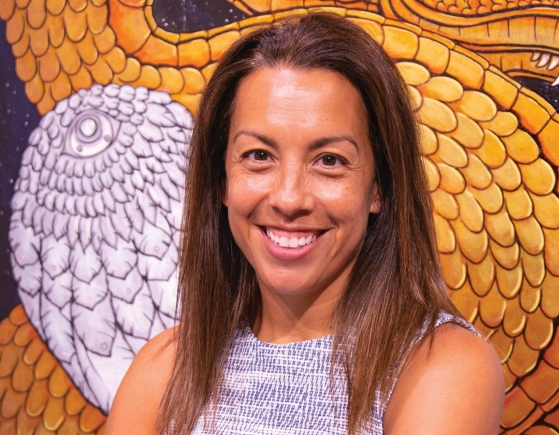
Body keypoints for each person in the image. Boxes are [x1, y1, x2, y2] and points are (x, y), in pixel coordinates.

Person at [105, 12, 504, 435]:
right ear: (221, 180)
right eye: (259, 156)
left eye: (329, 161)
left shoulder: (441, 366)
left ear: (379, 188)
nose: (289, 198)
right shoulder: (163, 368)